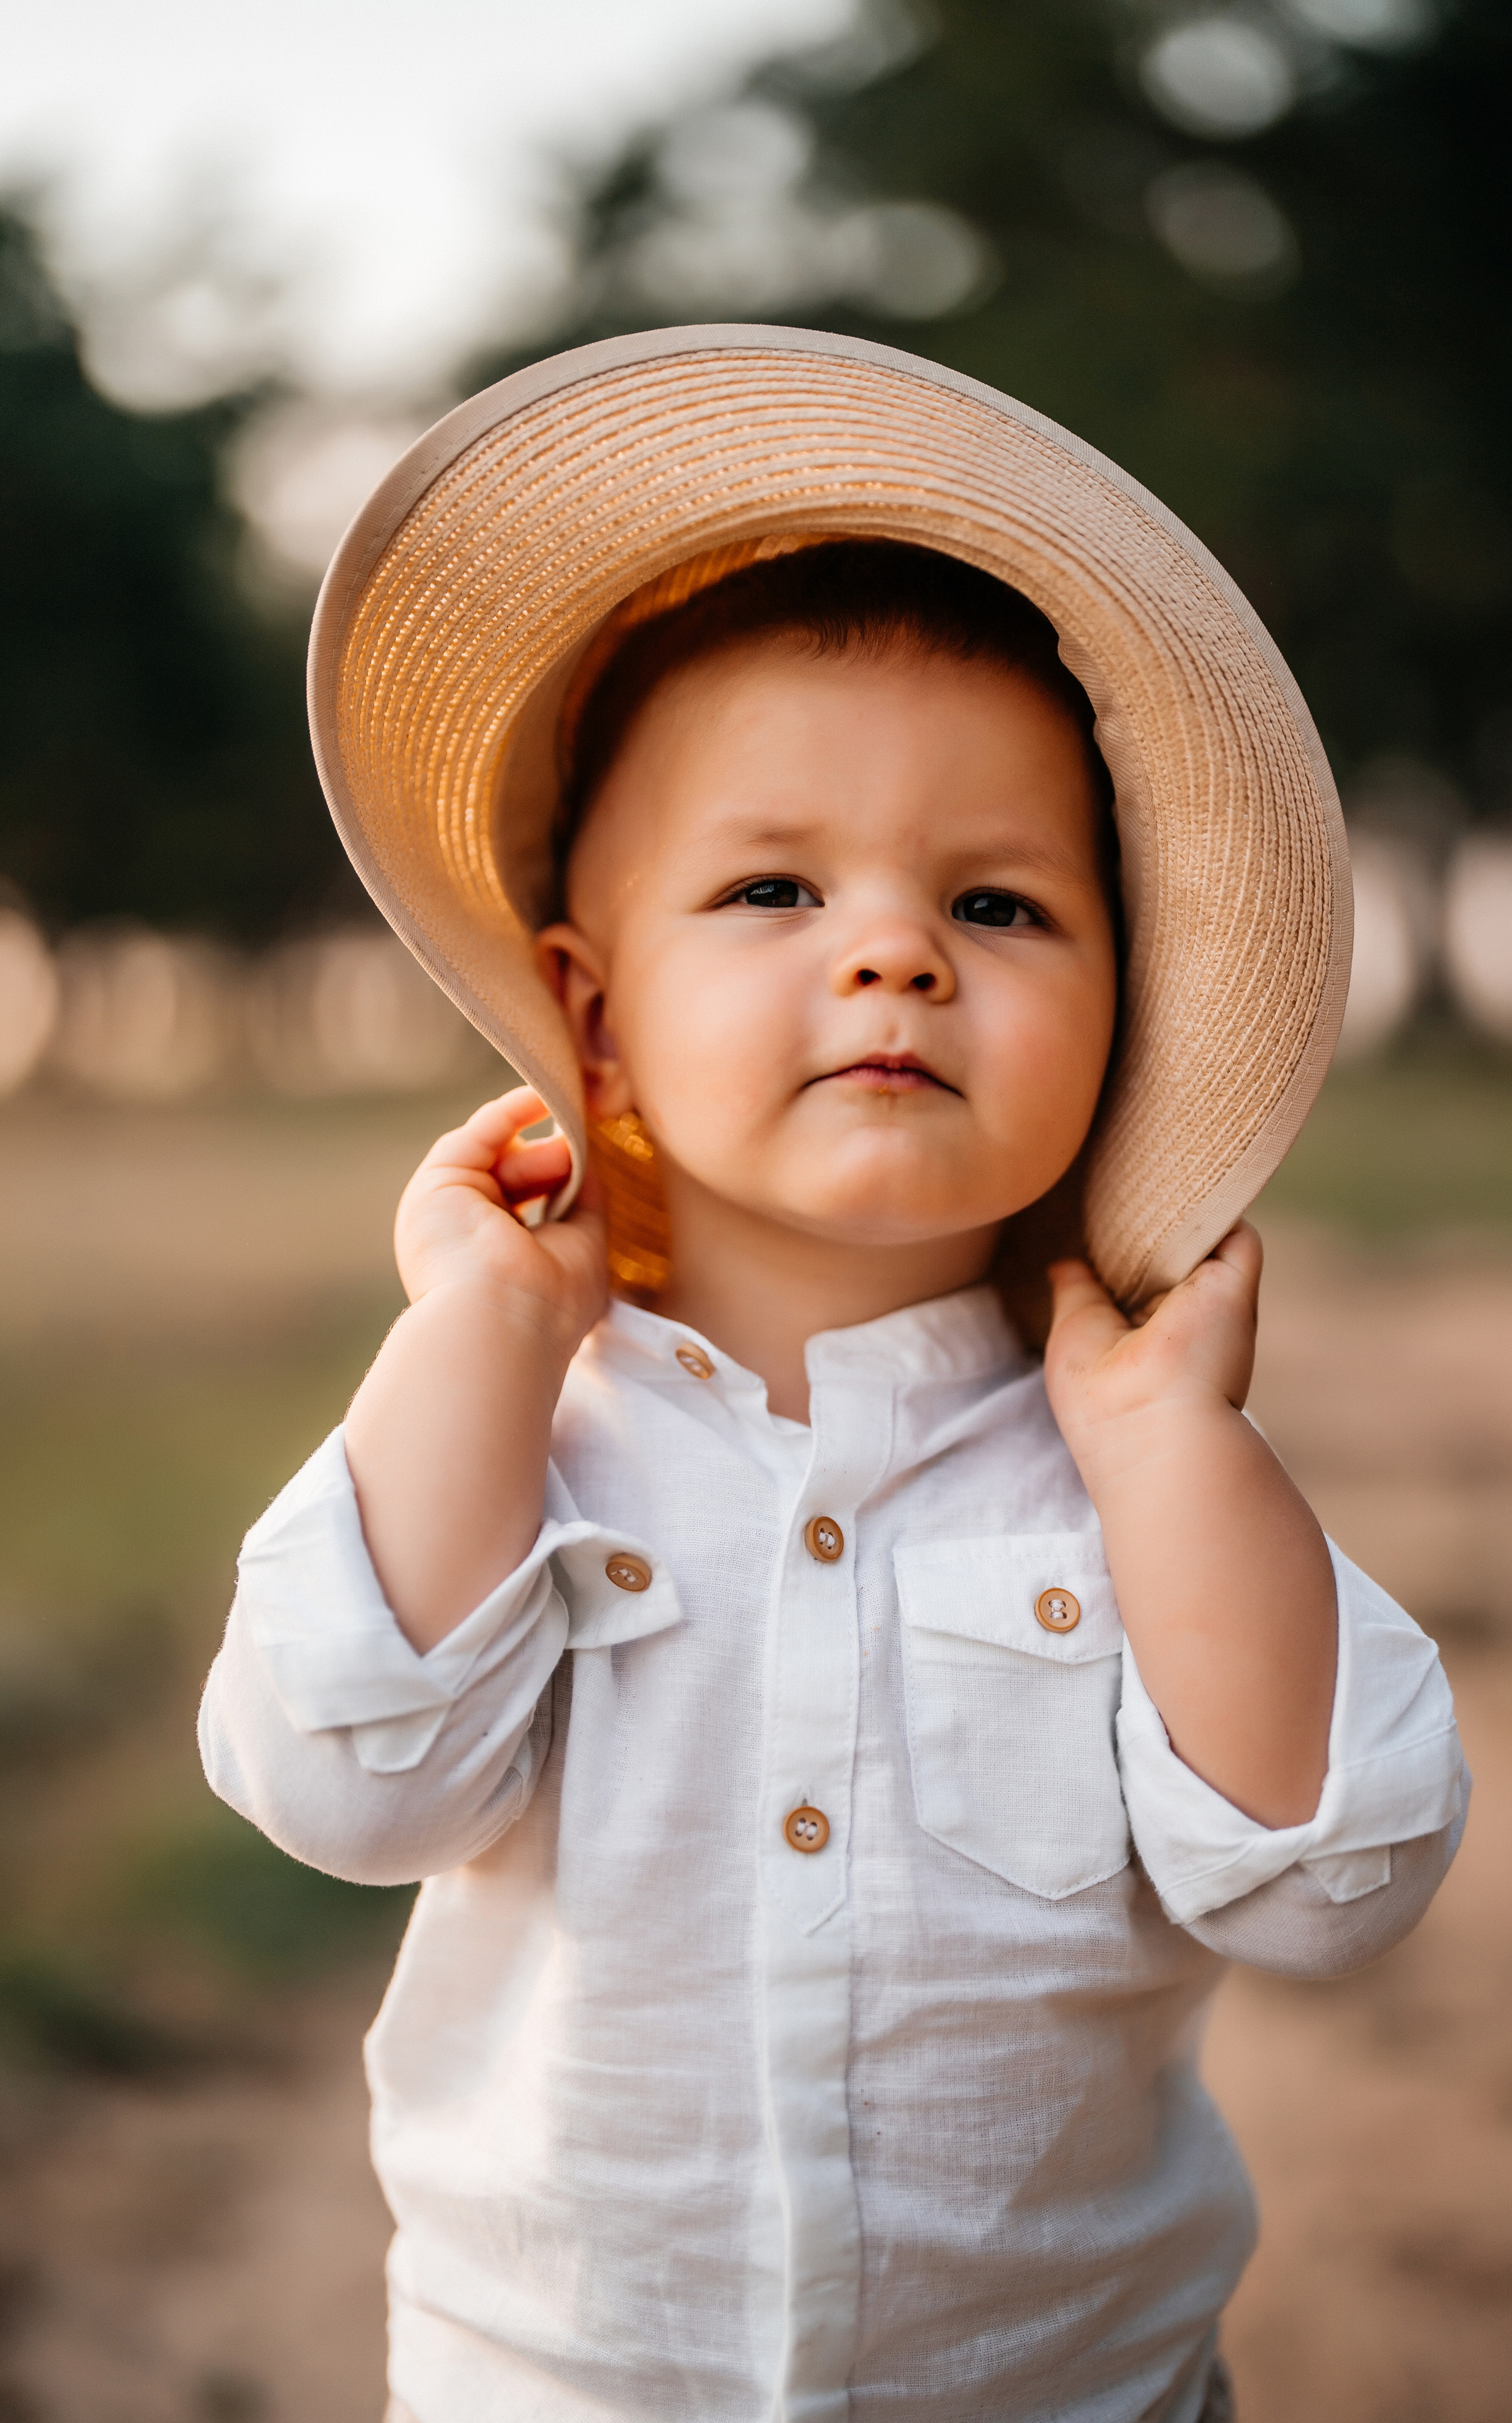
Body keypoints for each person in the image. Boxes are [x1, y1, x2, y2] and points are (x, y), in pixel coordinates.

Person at [200, 329, 1467, 2422]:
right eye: (774, 887)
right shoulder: (521, 1429)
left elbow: (1335, 1888)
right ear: (590, 1021)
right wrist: (493, 1322)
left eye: (996, 899)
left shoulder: (1122, 1465)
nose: (893, 953)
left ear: (1123, 1016)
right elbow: (346, 1783)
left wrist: (1172, 1455)